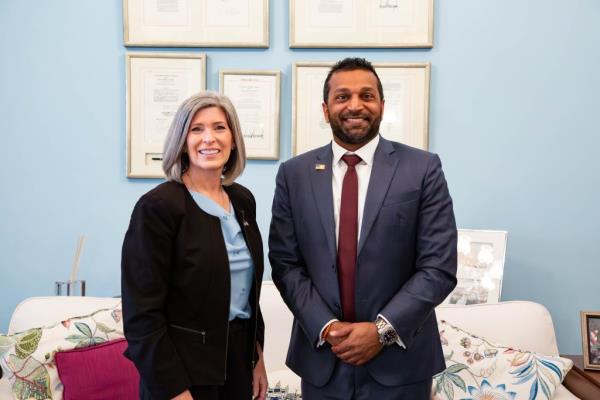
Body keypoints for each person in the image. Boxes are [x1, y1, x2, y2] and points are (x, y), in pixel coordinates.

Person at [269, 58, 457, 399]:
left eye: (366, 95)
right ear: (326, 110)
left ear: (382, 106)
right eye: (342, 97)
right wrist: (328, 328)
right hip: (323, 358)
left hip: (401, 363)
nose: (355, 105)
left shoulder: (422, 169)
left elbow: (438, 267)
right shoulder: (294, 175)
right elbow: (285, 264)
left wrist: (381, 330)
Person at [122, 91, 268, 400]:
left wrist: (256, 358)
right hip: (180, 371)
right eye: (196, 129)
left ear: (233, 138)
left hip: (237, 364)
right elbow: (141, 315)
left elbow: (248, 294)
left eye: (219, 127)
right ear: (182, 140)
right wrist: (174, 389)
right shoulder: (158, 207)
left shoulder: (243, 200)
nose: (209, 138)